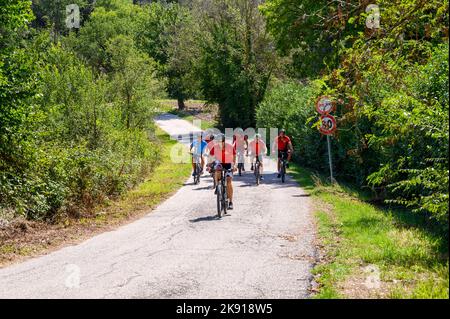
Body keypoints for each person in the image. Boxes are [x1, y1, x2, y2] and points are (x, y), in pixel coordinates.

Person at [209, 134, 236, 210]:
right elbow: (210, 156)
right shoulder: (215, 147)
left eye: (221, 142)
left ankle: (230, 202)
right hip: (220, 163)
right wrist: (209, 164)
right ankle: (217, 186)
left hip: (228, 163)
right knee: (216, 170)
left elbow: (234, 156)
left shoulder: (229, 147)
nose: (219, 144)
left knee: (229, 181)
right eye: (218, 142)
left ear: (224, 141)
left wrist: (234, 165)